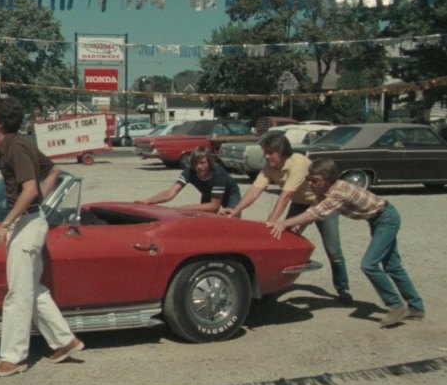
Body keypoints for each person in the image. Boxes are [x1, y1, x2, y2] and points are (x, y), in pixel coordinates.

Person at [0, 97, 83, 377]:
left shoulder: (15, 146)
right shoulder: (18, 143)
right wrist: (41, 199)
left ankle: (14, 358)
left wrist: (4, 224)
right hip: (30, 219)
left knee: (17, 293)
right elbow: (53, 170)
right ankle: (65, 341)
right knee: (33, 288)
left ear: (0, 122)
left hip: (26, 223)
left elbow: (28, 190)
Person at [268, 159, 425, 327]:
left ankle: (395, 305)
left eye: (315, 180)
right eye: (308, 179)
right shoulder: (324, 191)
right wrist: (295, 231)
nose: (310, 184)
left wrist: (284, 223)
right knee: (393, 266)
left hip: (386, 218)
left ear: (327, 180)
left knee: (369, 264)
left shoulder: (338, 192)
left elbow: (315, 214)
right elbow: (312, 210)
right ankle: (416, 308)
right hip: (378, 219)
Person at [221, 132, 351, 303]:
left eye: (270, 152)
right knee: (283, 241)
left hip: (322, 203)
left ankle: (343, 289)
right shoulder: (269, 166)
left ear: (281, 151)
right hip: (300, 202)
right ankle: (276, 285)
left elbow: (285, 197)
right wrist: (235, 211)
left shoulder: (298, 163)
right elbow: (255, 190)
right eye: (264, 152)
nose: (266, 157)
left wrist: (272, 222)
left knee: (333, 249)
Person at [141, 146, 241, 214]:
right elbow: (171, 192)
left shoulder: (218, 173)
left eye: (203, 163)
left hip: (230, 195)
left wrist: (179, 209)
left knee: (231, 220)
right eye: (196, 163)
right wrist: (150, 201)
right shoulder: (189, 171)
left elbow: (214, 206)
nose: (199, 167)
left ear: (209, 162)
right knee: (204, 220)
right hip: (208, 194)